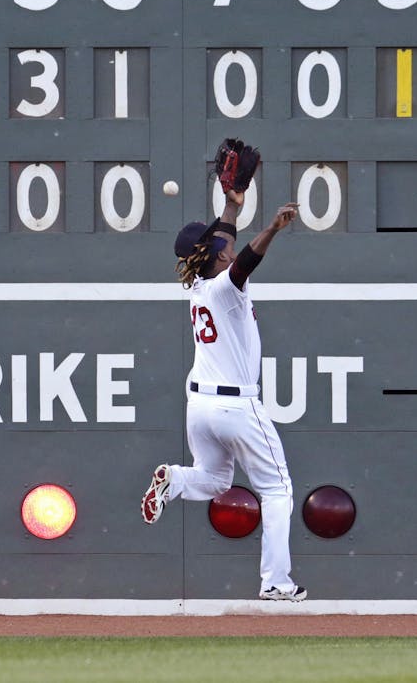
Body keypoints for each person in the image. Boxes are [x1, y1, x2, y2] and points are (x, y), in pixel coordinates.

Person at [141, 184, 306, 602]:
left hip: (199, 404)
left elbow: (227, 244)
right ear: (217, 256)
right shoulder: (224, 286)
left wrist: (232, 207)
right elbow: (246, 260)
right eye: (222, 246)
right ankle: (276, 581)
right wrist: (271, 228)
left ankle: (175, 480)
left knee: (215, 480)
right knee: (277, 489)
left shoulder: (199, 287)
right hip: (236, 405)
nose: (228, 247)